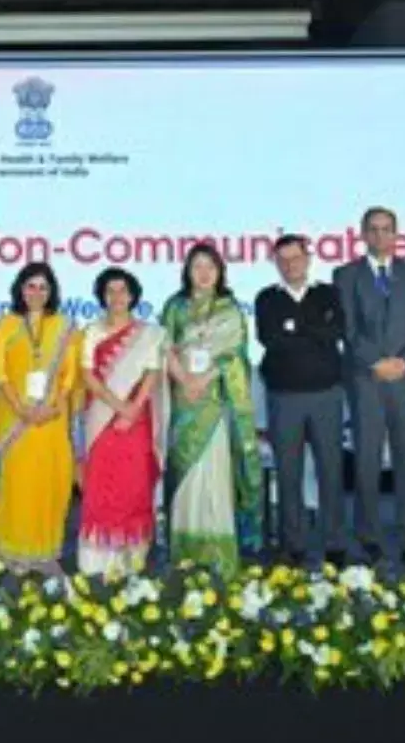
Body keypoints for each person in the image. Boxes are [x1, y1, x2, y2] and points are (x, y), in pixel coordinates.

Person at [334, 207, 405, 569]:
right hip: (366, 379)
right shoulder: (345, 275)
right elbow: (347, 328)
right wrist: (376, 362)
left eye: (386, 229)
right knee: (366, 460)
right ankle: (368, 540)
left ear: (396, 234)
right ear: (363, 234)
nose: (380, 236)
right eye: (373, 229)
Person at [160, 243, 263, 575]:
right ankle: (185, 552)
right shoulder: (175, 307)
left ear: (220, 272)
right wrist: (185, 380)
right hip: (183, 400)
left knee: (215, 473)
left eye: (210, 267)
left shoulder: (230, 310)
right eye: (197, 267)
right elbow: (164, 348)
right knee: (186, 472)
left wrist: (203, 379)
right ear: (187, 271)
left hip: (215, 400)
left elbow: (234, 355)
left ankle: (219, 553)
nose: (204, 274)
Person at [255, 235, 347, 566]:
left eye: (296, 258)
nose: (290, 265)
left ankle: (335, 542)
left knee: (331, 471)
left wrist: (294, 329)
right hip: (284, 396)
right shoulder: (267, 298)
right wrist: (311, 329)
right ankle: (292, 544)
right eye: (283, 260)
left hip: (326, 394)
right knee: (288, 473)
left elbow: (335, 332)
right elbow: (270, 339)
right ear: (275, 263)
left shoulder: (329, 293)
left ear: (308, 259)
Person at [0, 262, 80, 575]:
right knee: (18, 484)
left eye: (43, 287)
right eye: (31, 286)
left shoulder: (64, 326)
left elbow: (70, 375)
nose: (37, 293)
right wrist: (22, 408)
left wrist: (53, 407)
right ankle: (14, 553)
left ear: (51, 292)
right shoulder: (7, 324)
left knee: (50, 483)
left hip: (52, 420)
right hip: (16, 419)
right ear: (20, 289)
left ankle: (45, 552)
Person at [77, 268, 166, 577]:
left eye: (123, 290)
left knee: (134, 486)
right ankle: (97, 562)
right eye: (110, 291)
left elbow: (152, 372)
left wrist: (133, 409)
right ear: (102, 296)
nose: (117, 297)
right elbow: (88, 376)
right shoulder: (91, 332)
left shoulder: (150, 333)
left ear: (133, 295)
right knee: (101, 487)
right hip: (102, 420)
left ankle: (132, 558)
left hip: (137, 422)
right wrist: (119, 407)